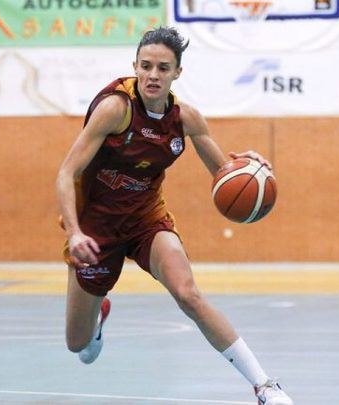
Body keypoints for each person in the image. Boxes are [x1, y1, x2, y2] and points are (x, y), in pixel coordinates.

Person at [56, 27, 293, 405]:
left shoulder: (186, 119)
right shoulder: (115, 109)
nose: (153, 74)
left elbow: (224, 173)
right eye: (146, 66)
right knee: (78, 345)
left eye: (163, 68)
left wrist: (250, 169)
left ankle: (265, 386)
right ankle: (97, 315)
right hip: (95, 229)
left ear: (176, 73)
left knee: (188, 294)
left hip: (146, 220)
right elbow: (66, 173)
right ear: (134, 66)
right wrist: (73, 231)